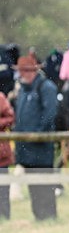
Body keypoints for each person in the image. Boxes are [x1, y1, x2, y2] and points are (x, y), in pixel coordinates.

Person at [12, 55, 58, 220]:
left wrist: (37, 134)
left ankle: (49, 216)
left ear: (31, 72)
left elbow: (49, 114)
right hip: (27, 148)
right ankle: (39, 216)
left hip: (41, 147)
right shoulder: (24, 90)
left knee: (44, 184)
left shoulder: (46, 88)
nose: (20, 75)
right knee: (33, 184)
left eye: (23, 71)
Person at [0, 90, 15, 218]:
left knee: (3, 187)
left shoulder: (0, 98)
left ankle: (4, 215)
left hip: (1, 153)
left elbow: (10, 117)